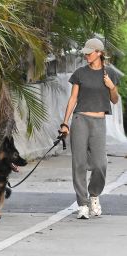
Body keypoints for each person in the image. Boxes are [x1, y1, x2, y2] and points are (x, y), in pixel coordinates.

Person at [60, 38, 119, 219]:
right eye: (85, 52)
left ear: (99, 52)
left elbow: (115, 100)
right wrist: (65, 122)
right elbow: (73, 99)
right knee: (78, 163)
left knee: (100, 164)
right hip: (80, 120)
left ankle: (94, 196)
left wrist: (111, 87)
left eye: (89, 52)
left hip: (99, 122)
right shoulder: (80, 73)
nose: (86, 55)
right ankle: (82, 204)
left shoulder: (108, 73)